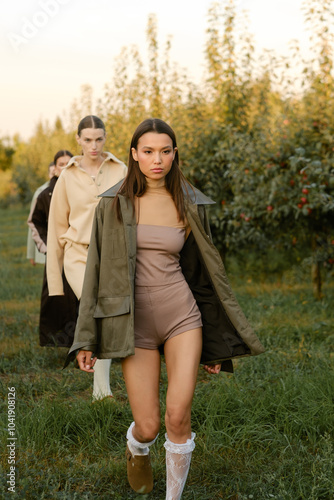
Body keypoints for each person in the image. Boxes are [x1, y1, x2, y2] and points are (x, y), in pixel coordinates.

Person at [68, 118, 265, 498]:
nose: (157, 159)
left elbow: (205, 277)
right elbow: (93, 275)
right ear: (134, 155)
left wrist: (216, 344)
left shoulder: (189, 203)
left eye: (165, 151)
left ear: (174, 155)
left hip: (182, 317)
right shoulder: (112, 204)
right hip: (133, 323)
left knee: (178, 415)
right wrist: (86, 339)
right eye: (148, 151)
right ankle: (137, 447)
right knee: (150, 424)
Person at [47, 115, 127, 400]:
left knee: (108, 316)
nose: (94, 145)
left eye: (99, 139)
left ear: (105, 138)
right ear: (78, 139)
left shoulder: (122, 170)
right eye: (88, 139)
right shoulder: (67, 176)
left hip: (112, 256)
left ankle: (101, 387)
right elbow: (56, 228)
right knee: (97, 311)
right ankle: (102, 393)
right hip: (78, 256)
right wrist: (55, 284)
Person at [32, 150, 78, 347]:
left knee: (78, 296)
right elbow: (36, 222)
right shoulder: (45, 195)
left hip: (78, 253)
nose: (65, 167)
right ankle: (55, 339)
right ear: (55, 168)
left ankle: (81, 339)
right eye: (61, 164)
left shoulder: (81, 191)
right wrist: (48, 248)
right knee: (56, 297)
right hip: (56, 254)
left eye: (69, 163)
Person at [27, 162, 55, 266]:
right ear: (49, 174)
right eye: (52, 173)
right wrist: (31, 254)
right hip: (46, 242)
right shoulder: (40, 193)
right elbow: (34, 224)